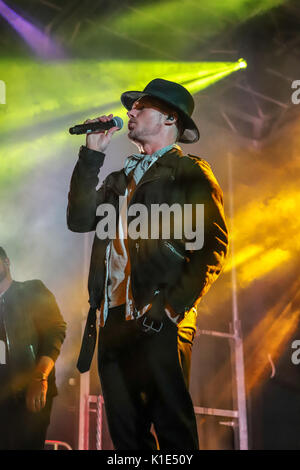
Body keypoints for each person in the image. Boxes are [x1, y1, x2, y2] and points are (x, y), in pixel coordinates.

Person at [67, 78, 229, 450]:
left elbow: (213, 247)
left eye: (141, 107)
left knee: (172, 430)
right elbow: (78, 219)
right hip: (112, 320)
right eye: (131, 107)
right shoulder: (117, 181)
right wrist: (91, 155)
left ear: (170, 118)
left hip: (158, 318)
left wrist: (172, 305)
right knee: (127, 438)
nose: (130, 113)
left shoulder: (188, 172)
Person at [0, 246, 66, 450]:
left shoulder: (32, 290)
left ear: (7, 262)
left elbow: (55, 331)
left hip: (30, 393)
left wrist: (40, 377)